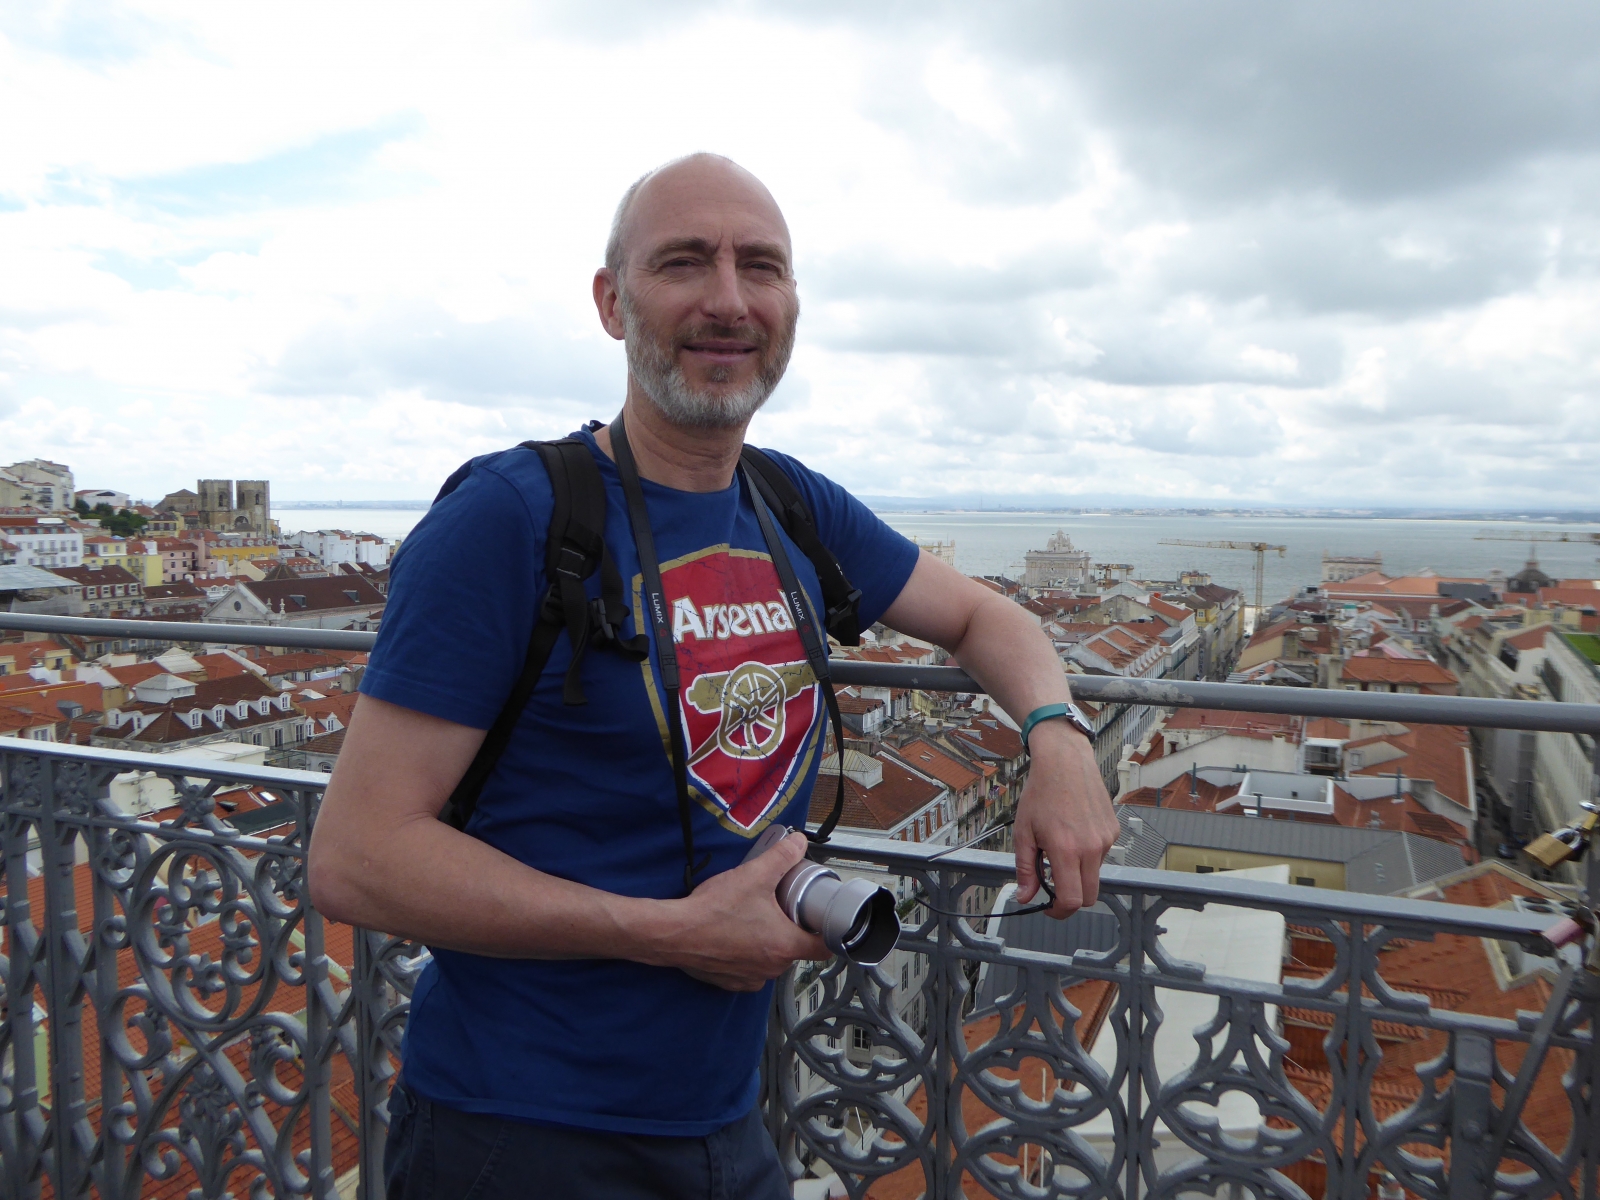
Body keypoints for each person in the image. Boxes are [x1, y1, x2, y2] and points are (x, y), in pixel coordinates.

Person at [307, 152, 1119, 1200]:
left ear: (791, 305)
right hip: (520, 1128)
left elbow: (982, 615)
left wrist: (1058, 740)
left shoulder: (790, 505)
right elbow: (357, 858)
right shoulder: (509, 518)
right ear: (612, 303)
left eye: (761, 267)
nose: (729, 300)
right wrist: (666, 936)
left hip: (726, 1121)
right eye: (684, 262)